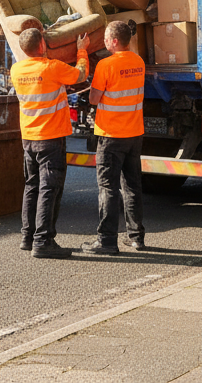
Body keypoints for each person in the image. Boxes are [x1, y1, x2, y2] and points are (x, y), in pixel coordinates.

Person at [10, 27, 88, 259]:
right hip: (50, 138)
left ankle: (28, 236)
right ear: (42, 46)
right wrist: (81, 51)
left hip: (29, 138)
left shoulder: (16, 69)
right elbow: (80, 75)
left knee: (32, 186)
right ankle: (43, 241)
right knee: (49, 188)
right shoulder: (51, 67)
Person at [81, 20, 146, 255]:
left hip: (111, 135)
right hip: (134, 133)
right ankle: (136, 237)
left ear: (115, 41)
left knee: (107, 187)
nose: (105, 42)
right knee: (132, 186)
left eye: (106, 38)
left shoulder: (105, 65)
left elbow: (94, 99)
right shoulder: (138, 61)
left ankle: (107, 240)